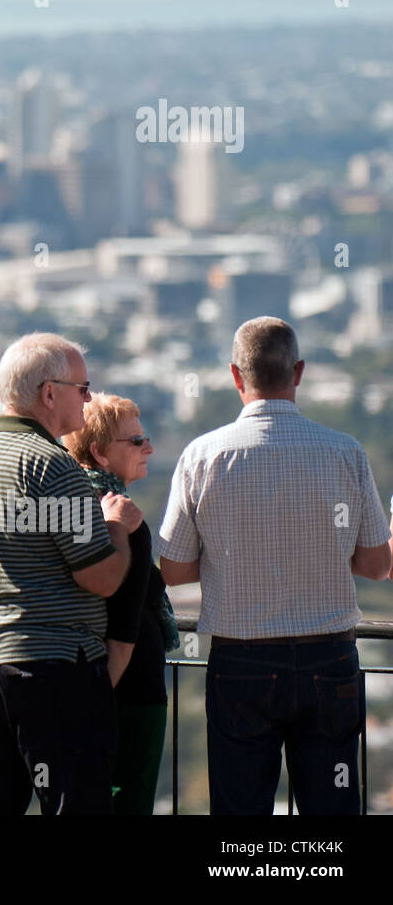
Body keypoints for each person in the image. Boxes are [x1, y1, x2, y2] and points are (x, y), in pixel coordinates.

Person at [158, 316, 392, 815]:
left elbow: (173, 572)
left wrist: (229, 553)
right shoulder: (346, 453)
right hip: (330, 662)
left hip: (240, 663)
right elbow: (376, 566)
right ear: (299, 372)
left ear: (236, 376)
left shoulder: (201, 456)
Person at [0, 332, 142, 815]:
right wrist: (117, 529)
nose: (88, 399)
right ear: (50, 394)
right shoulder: (52, 466)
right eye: (83, 388)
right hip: (53, 672)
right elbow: (103, 578)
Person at [64, 392, 178, 814]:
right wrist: (91, 705)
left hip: (87, 680)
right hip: (129, 693)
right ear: (99, 452)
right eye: (135, 441)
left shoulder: (70, 508)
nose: (148, 447)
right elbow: (123, 634)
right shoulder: (123, 519)